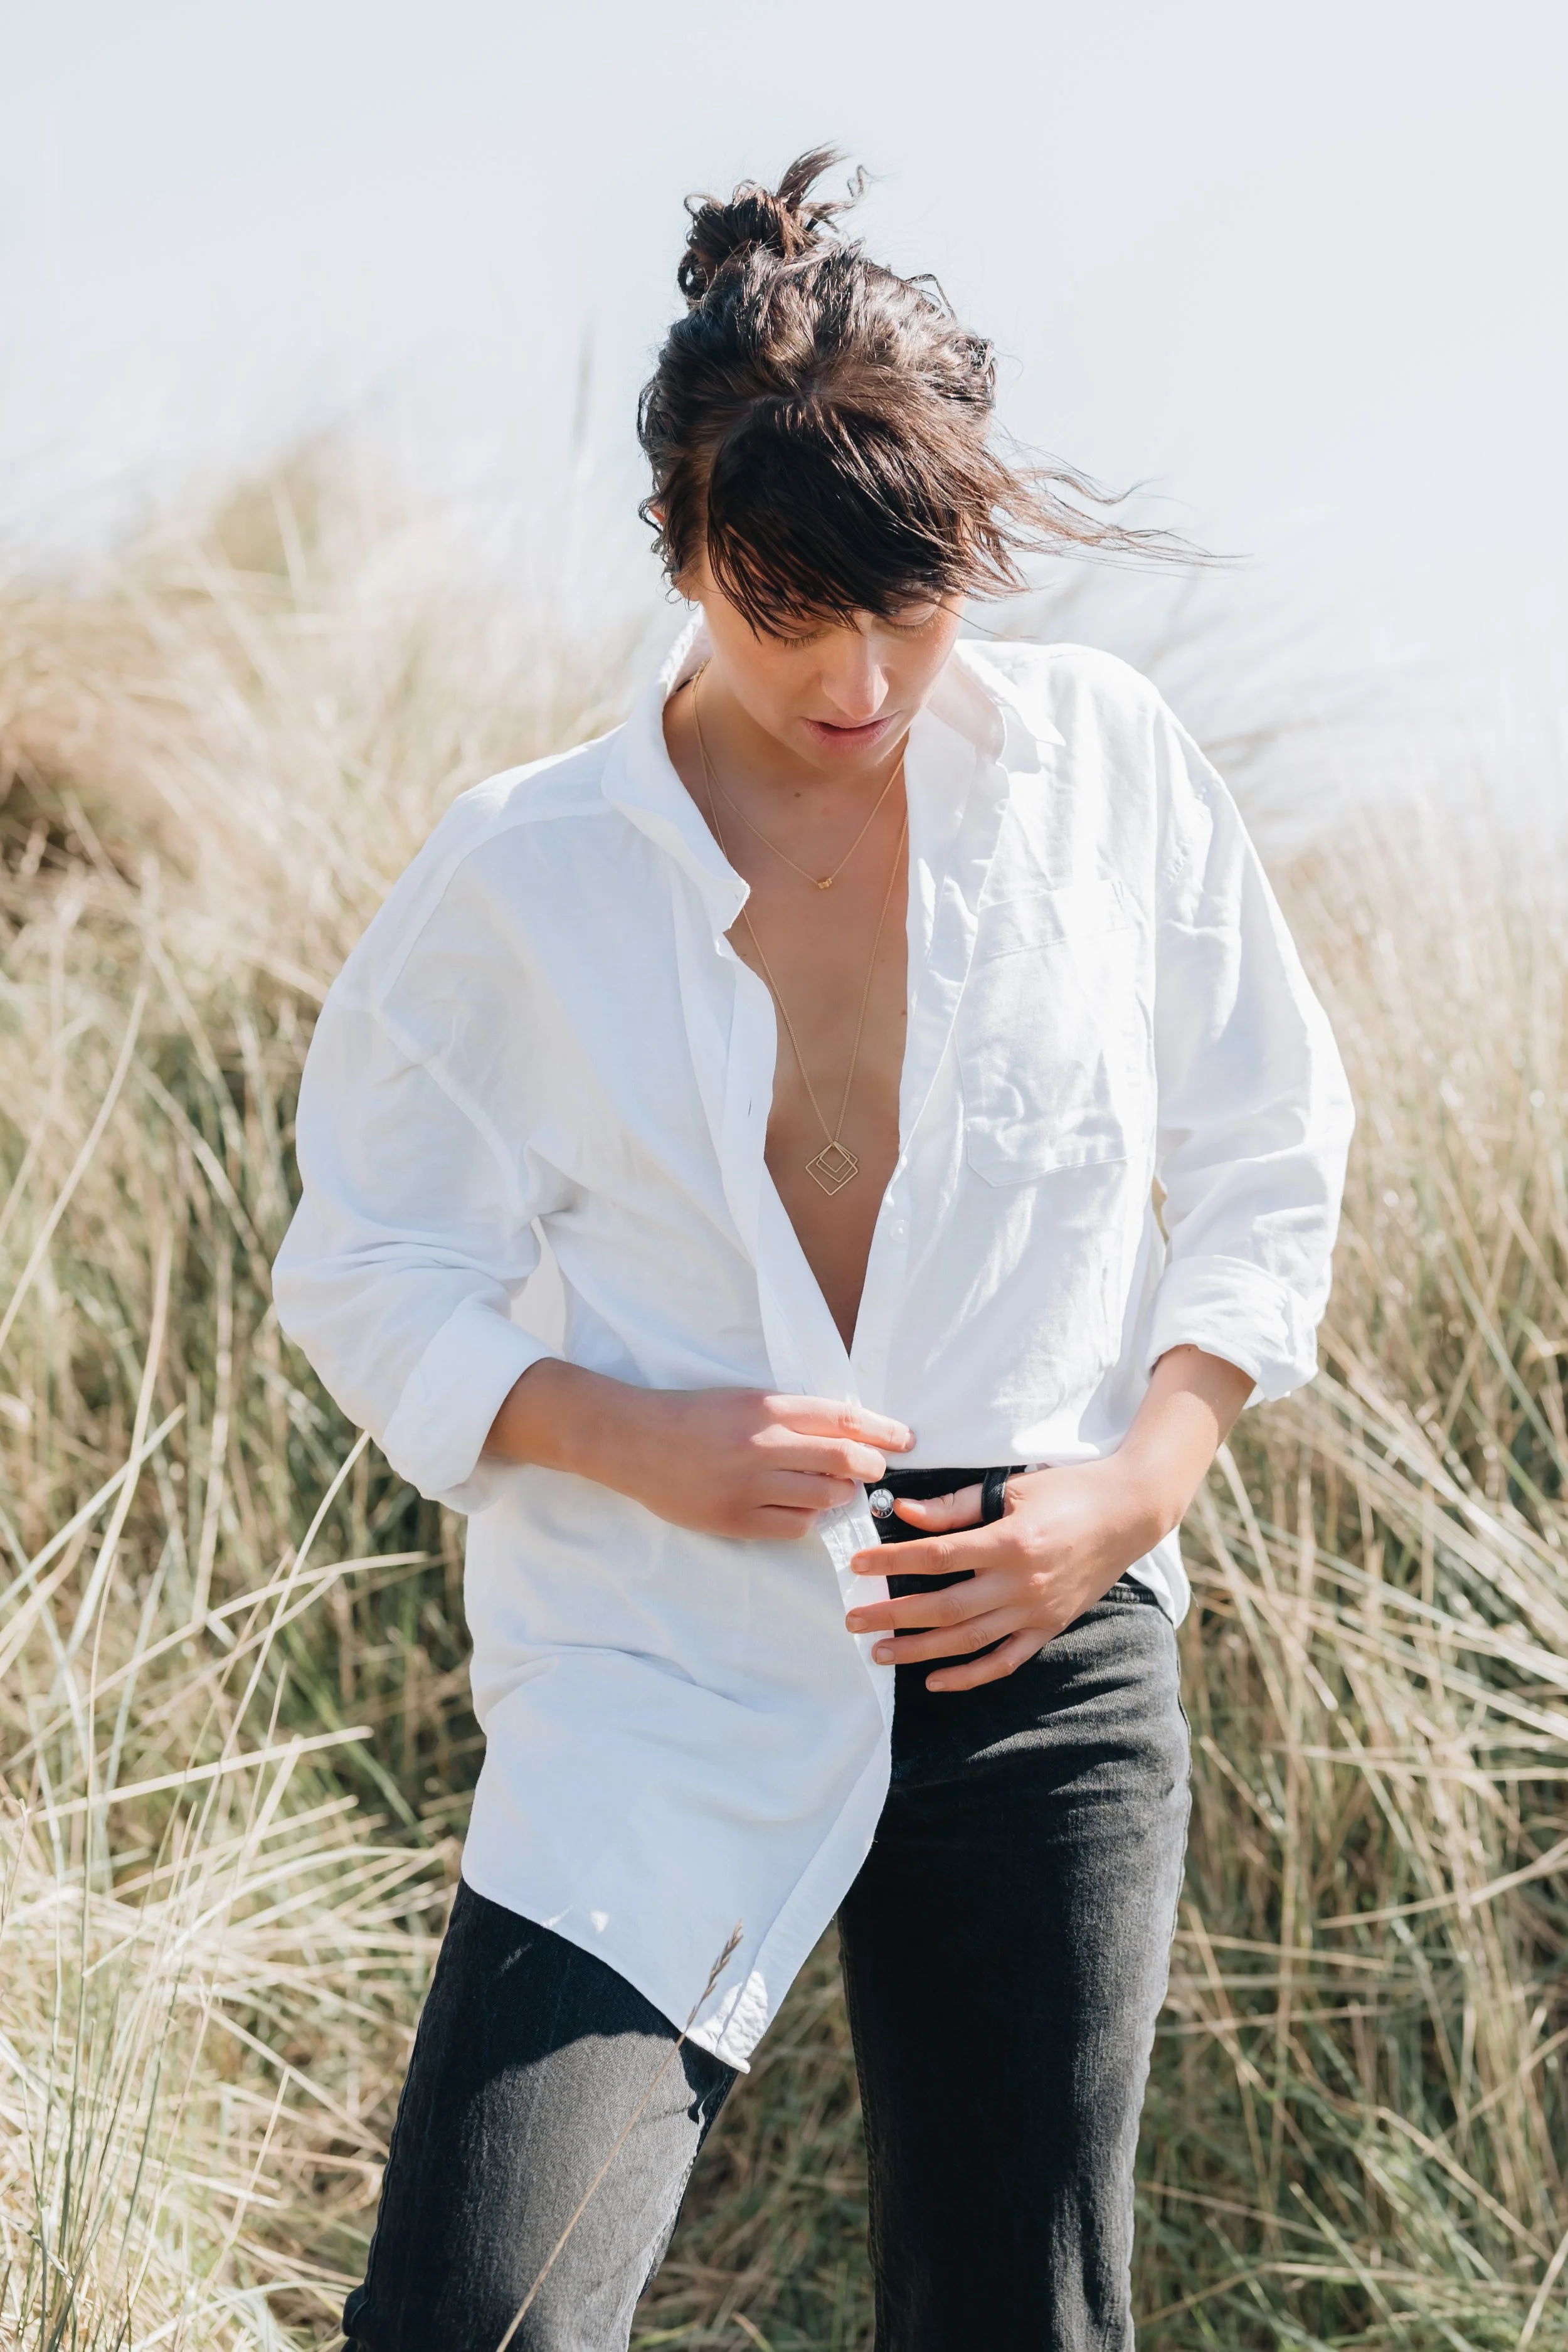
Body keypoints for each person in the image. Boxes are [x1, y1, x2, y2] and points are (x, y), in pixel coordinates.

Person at [273, 149, 1352, 2352]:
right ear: (678, 550)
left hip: (1037, 1646)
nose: (860, 675)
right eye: (790, 608)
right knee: (473, 2318)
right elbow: (363, 1257)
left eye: (916, 599)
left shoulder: (1102, 772)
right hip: (654, 1654)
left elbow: (1270, 1143)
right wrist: (626, 1434)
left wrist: (1132, 1491)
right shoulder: (523, 875)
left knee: (1016, 2321)